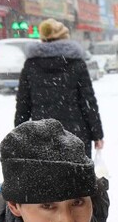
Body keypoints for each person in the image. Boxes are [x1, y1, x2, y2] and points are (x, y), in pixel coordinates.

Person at [15, 19, 104, 157]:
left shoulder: (31, 64)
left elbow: (23, 103)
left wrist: (19, 135)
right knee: (77, 176)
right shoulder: (76, 63)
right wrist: (97, 134)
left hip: (42, 134)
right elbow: (88, 101)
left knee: (47, 176)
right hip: (76, 134)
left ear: (43, 38)